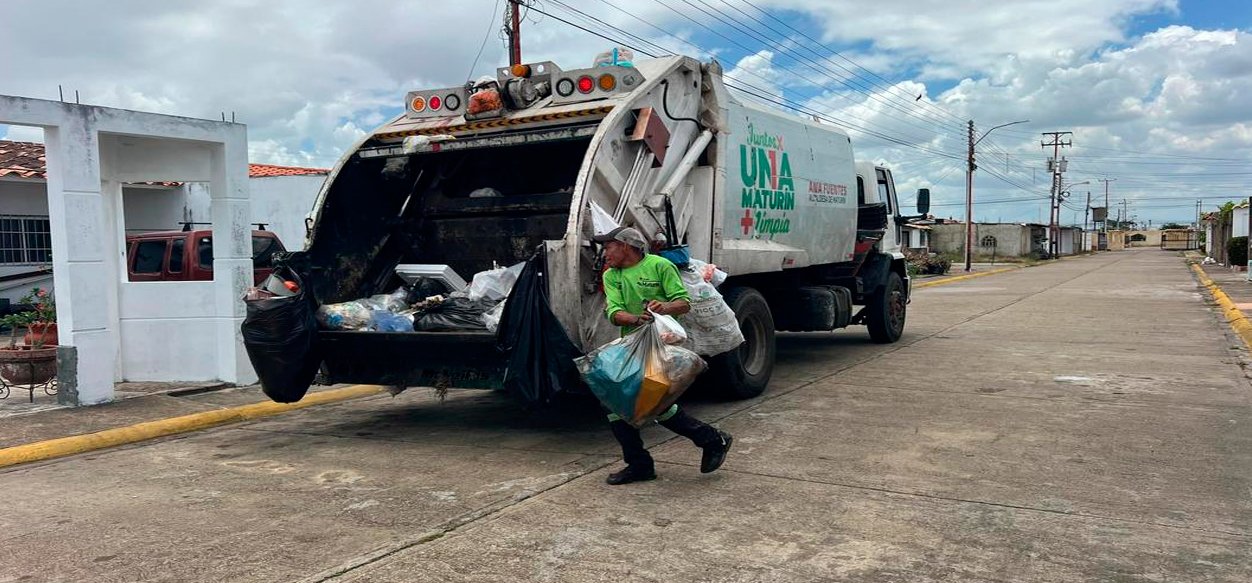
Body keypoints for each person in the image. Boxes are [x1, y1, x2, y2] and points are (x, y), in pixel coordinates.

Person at [592, 226, 733, 485]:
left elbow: (683, 302)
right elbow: (613, 312)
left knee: (643, 402)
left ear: (625, 245)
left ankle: (645, 462)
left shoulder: (660, 266)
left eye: (608, 246)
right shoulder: (612, 275)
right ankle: (708, 440)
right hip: (632, 343)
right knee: (623, 401)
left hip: (662, 345)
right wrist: (635, 318)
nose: (605, 252)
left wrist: (664, 307)